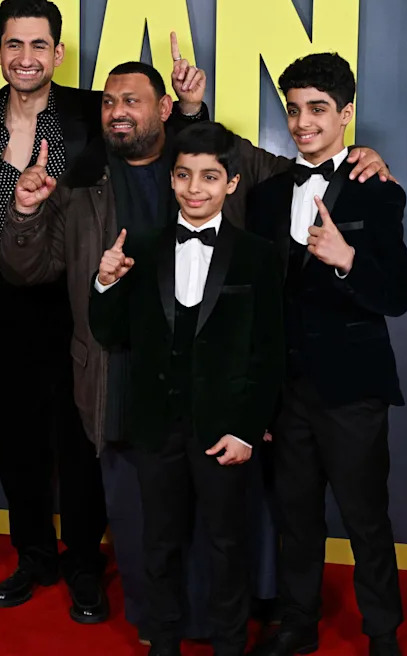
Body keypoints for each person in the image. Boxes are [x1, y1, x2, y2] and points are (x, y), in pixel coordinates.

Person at [0, 58, 391, 640]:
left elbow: (302, 175)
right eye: (109, 102)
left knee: (234, 531)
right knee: (152, 530)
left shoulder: (240, 188)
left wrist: (361, 162)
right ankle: (164, 630)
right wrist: (35, 218)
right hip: (127, 392)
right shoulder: (82, 186)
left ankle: (251, 631)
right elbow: (37, 274)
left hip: (229, 399)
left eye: (133, 100)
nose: (118, 112)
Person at [0, 0, 207, 623]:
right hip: (1, 298)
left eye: (39, 44)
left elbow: (159, 147)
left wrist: (193, 108)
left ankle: (84, 566)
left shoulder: (91, 114)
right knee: (15, 438)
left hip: (76, 297)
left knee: (80, 439)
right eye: (14, 43)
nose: (26, 56)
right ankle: (32, 554)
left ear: (58, 53)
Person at [89, 122, 285, 656]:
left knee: (227, 543)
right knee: (159, 544)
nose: (195, 188)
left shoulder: (258, 256)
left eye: (209, 176)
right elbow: (110, 335)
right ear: (171, 181)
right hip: (156, 427)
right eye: (183, 175)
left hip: (225, 431)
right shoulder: (144, 247)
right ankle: (164, 642)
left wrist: (247, 430)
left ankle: (228, 643)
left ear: (232, 183)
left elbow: (269, 353)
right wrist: (105, 282)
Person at [246, 53, 407, 656]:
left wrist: (347, 259)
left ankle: (381, 632)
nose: (302, 123)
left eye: (317, 110)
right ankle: (297, 622)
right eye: (292, 110)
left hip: (353, 391)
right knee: (296, 519)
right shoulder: (265, 197)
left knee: (366, 520)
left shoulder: (378, 192)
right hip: (287, 393)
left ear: (346, 114)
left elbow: (397, 296)